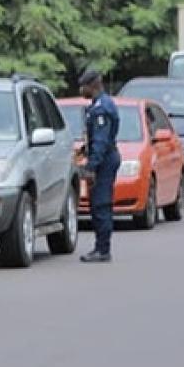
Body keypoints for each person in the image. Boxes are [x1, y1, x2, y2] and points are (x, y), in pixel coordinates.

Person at [78, 70, 120, 263]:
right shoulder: (99, 105)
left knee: (101, 204)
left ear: (92, 86)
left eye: (83, 86)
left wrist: (91, 166)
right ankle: (101, 247)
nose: (81, 90)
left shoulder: (101, 109)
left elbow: (102, 141)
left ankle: (103, 249)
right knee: (99, 204)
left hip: (104, 161)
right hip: (105, 157)